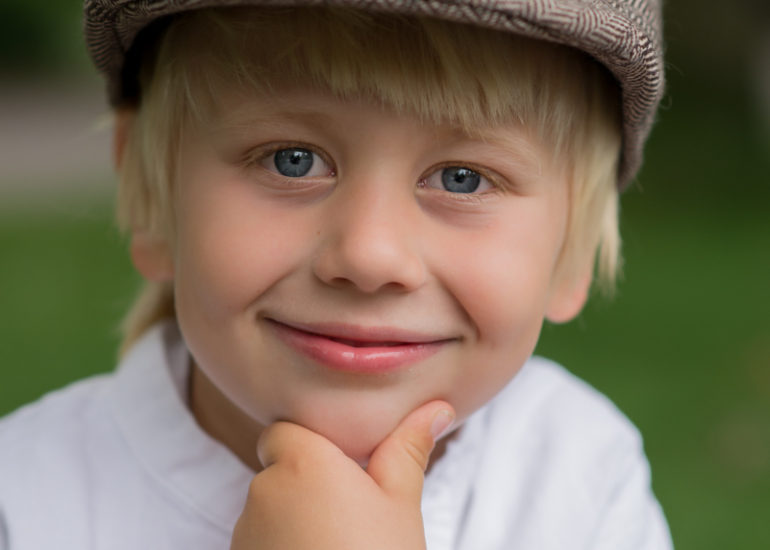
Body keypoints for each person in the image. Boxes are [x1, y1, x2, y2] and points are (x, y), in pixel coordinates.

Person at [0, 1, 673, 548]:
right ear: (151, 197)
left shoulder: (579, 475)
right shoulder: (28, 500)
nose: (369, 256)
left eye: (461, 178)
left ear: (571, 249)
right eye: (291, 160)